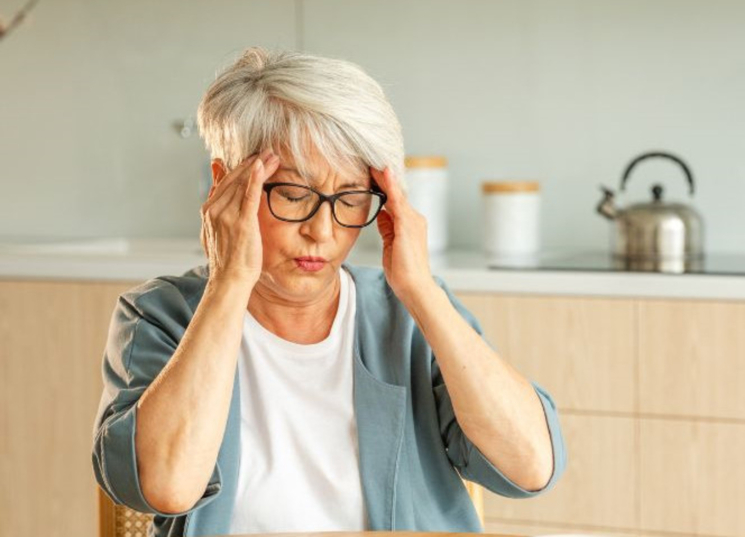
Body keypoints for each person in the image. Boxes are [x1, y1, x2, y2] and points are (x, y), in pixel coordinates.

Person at [91, 47, 566, 537]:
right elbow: (166, 486)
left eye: (351, 199)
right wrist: (229, 281)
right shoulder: (160, 316)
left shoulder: (405, 315)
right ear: (224, 184)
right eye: (294, 195)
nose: (322, 230)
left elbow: (530, 468)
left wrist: (421, 289)